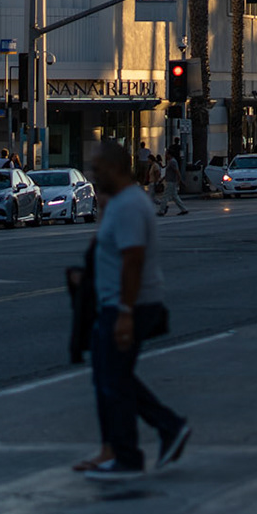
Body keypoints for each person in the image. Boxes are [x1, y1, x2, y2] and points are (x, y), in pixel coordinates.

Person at [73, 141, 190, 480]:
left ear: (114, 169)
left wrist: (124, 310)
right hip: (119, 304)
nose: (93, 175)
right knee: (112, 377)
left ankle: (129, 455)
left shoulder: (129, 206)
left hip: (130, 306)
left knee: (113, 380)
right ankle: (159, 431)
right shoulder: (121, 203)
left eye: (97, 169)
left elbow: (133, 259)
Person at [157, 147, 188, 217]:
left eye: (166, 154)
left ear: (169, 155)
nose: (165, 155)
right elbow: (169, 172)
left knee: (165, 196)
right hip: (170, 181)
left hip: (171, 182)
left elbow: (177, 171)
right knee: (175, 196)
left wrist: (180, 180)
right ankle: (184, 209)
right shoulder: (170, 162)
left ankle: (161, 210)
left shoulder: (172, 162)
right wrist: (162, 179)